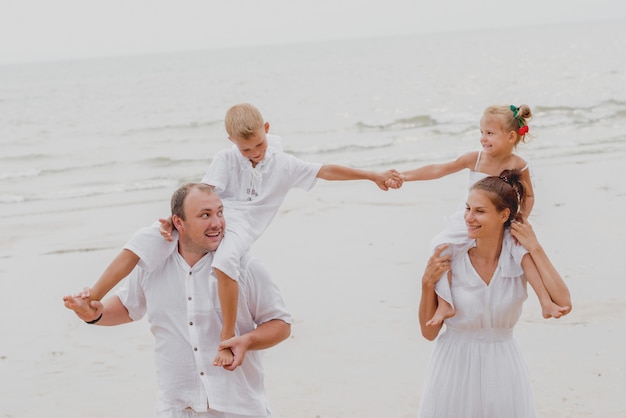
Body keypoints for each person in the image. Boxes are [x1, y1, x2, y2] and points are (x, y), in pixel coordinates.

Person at [76, 102, 402, 367]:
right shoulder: (225, 158)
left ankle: (227, 337)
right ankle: (91, 296)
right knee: (147, 237)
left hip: (243, 227)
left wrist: (372, 176)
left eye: (259, 144)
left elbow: (326, 170)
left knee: (225, 262)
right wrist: (174, 219)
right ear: (232, 142)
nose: (255, 152)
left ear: (268, 130)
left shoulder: (283, 163)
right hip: (217, 216)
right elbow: (205, 193)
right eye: (246, 149)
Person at [64, 183, 292, 418]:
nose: (217, 223)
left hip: (238, 408)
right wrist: (94, 314)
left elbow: (281, 324)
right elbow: (127, 306)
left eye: (220, 212)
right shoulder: (152, 265)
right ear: (178, 223)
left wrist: (247, 341)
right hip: (176, 408)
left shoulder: (245, 267)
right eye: (205, 215)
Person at [388, 104, 566, 325]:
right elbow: (438, 169)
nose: (483, 138)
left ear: (511, 137)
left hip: (504, 220)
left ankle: (545, 301)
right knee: (440, 245)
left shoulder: (518, 165)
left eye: (490, 133)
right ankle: (445, 303)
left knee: (523, 254)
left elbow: (529, 195)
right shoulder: (476, 158)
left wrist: (522, 218)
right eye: (481, 132)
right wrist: (404, 176)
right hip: (470, 219)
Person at [417, 169, 572, 418]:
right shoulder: (450, 259)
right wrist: (426, 284)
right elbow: (428, 332)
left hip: (503, 366)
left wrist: (535, 246)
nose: (469, 218)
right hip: (453, 367)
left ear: (504, 215)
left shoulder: (517, 258)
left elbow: (563, 302)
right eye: (468, 209)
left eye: (479, 211)